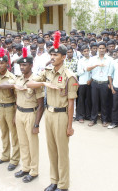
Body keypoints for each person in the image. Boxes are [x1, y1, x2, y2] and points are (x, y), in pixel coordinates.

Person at [27, 31, 78, 191]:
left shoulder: (70, 76)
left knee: (62, 152)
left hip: (62, 115)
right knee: (51, 150)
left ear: (63, 57)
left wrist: (70, 126)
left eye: (56, 55)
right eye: (52, 54)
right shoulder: (47, 72)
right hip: (48, 114)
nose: (53, 57)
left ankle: (63, 185)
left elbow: (71, 104)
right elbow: (29, 83)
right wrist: (45, 84)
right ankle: (54, 181)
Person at [13, 48, 44, 183]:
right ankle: (25, 167)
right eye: (20, 65)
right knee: (23, 143)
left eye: (24, 65)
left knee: (32, 144)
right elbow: (16, 98)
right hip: (19, 112)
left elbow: (41, 105)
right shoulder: (18, 79)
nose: (22, 67)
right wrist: (15, 115)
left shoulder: (35, 81)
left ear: (31, 65)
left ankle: (34, 170)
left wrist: (36, 124)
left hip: (31, 114)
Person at [87, 42, 113, 127]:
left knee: (104, 102)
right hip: (95, 82)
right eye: (100, 48)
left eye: (103, 48)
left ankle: (104, 119)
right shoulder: (93, 59)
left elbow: (111, 73)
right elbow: (88, 69)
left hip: (104, 83)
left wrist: (110, 83)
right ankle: (93, 119)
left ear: (106, 49)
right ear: (98, 49)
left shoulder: (110, 59)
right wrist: (96, 65)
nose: (101, 50)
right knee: (94, 102)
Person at [76, 45, 92, 122]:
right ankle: (80, 116)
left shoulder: (93, 60)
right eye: (84, 51)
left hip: (90, 82)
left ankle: (88, 115)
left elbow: (94, 72)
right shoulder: (80, 61)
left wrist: (91, 80)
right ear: (82, 52)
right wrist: (85, 69)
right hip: (82, 82)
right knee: (81, 100)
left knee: (88, 100)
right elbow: (78, 73)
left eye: (87, 51)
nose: (86, 52)